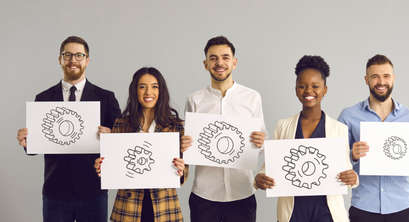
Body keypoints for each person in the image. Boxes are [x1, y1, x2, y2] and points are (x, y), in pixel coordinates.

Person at [15, 36, 121, 222]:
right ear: (60, 59)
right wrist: (27, 142)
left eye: (79, 55)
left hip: (93, 191)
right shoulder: (43, 98)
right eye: (68, 55)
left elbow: (121, 143)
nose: (73, 60)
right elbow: (35, 147)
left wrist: (111, 136)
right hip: (55, 191)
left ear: (87, 60)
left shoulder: (106, 98)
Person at [338, 54, 409, 222]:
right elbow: (335, 161)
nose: (381, 82)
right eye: (375, 77)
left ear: (393, 78)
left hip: (402, 207)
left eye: (386, 76)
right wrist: (352, 155)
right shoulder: (349, 116)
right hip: (363, 208)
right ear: (366, 80)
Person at [254, 55, 358, 222]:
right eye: (302, 86)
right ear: (296, 89)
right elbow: (269, 167)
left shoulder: (339, 129)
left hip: (327, 212)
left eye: (315, 86)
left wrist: (353, 178)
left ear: (325, 89)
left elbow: (346, 170)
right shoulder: (283, 126)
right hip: (293, 211)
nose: (308, 91)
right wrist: (260, 178)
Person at [182, 36, 266, 222]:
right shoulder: (194, 100)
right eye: (213, 58)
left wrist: (260, 143)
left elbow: (260, 147)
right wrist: (184, 146)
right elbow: (187, 148)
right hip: (204, 195)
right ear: (205, 64)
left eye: (225, 57)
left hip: (242, 192)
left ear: (234, 62)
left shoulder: (252, 98)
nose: (219, 62)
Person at [94, 67, 189, 222]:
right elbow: (113, 168)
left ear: (161, 91)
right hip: (128, 208)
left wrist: (181, 169)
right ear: (135, 91)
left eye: (154, 86)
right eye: (142, 87)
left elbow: (183, 173)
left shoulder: (175, 125)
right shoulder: (121, 124)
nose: (148, 92)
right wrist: (102, 167)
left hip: (165, 208)